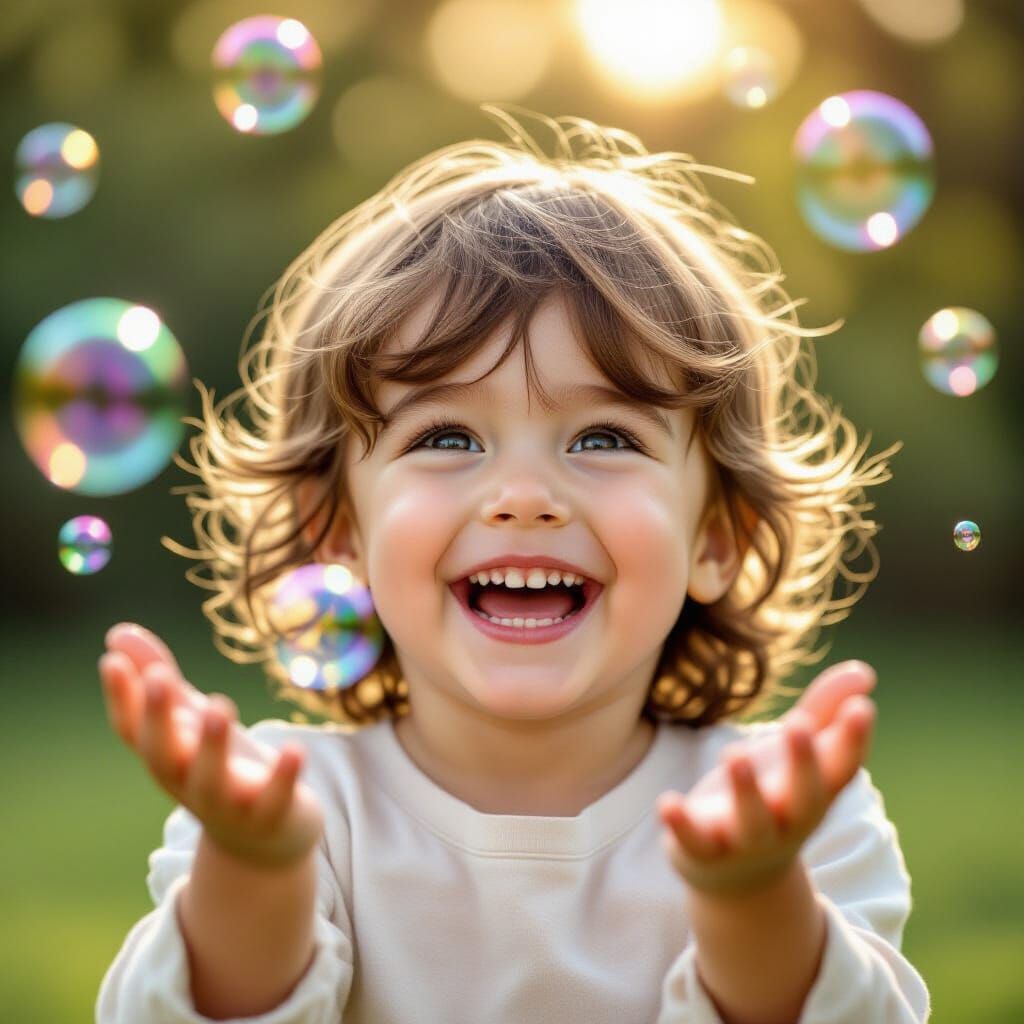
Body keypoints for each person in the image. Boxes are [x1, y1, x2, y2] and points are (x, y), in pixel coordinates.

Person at [95, 107, 931, 1023]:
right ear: (337, 533)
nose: (524, 495)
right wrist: (257, 873)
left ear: (716, 538)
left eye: (605, 435)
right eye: (447, 435)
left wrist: (754, 898)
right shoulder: (291, 808)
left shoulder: (787, 811)